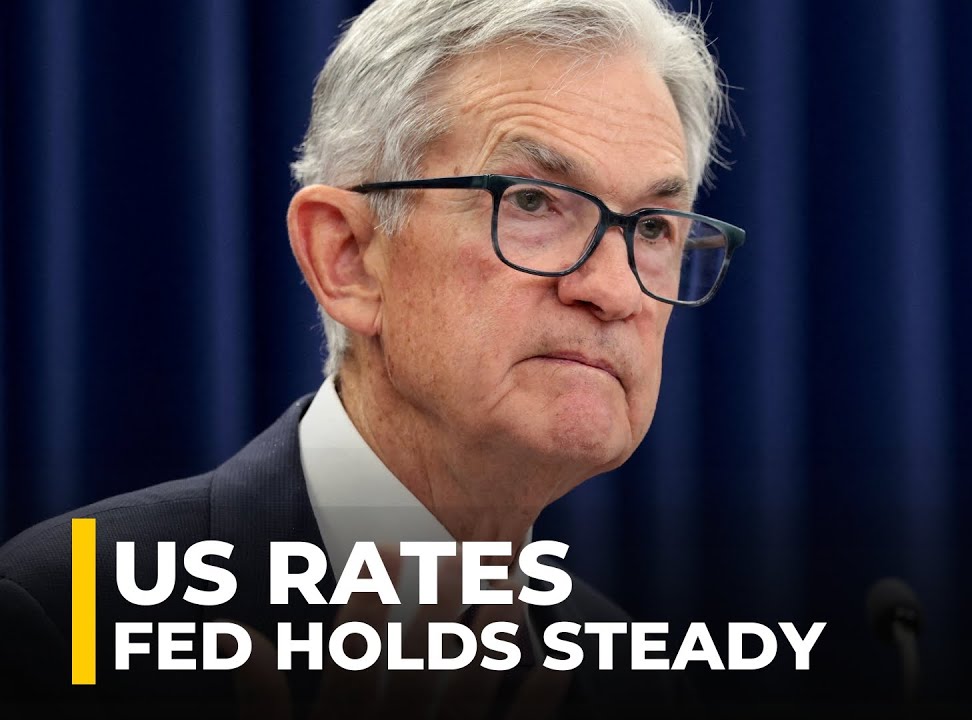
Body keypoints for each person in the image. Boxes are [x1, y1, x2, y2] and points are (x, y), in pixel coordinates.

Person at [0, 0, 743, 717]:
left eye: (653, 227)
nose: (615, 291)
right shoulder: (64, 620)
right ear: (348, 256)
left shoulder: (636, 682)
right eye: (531, 201)